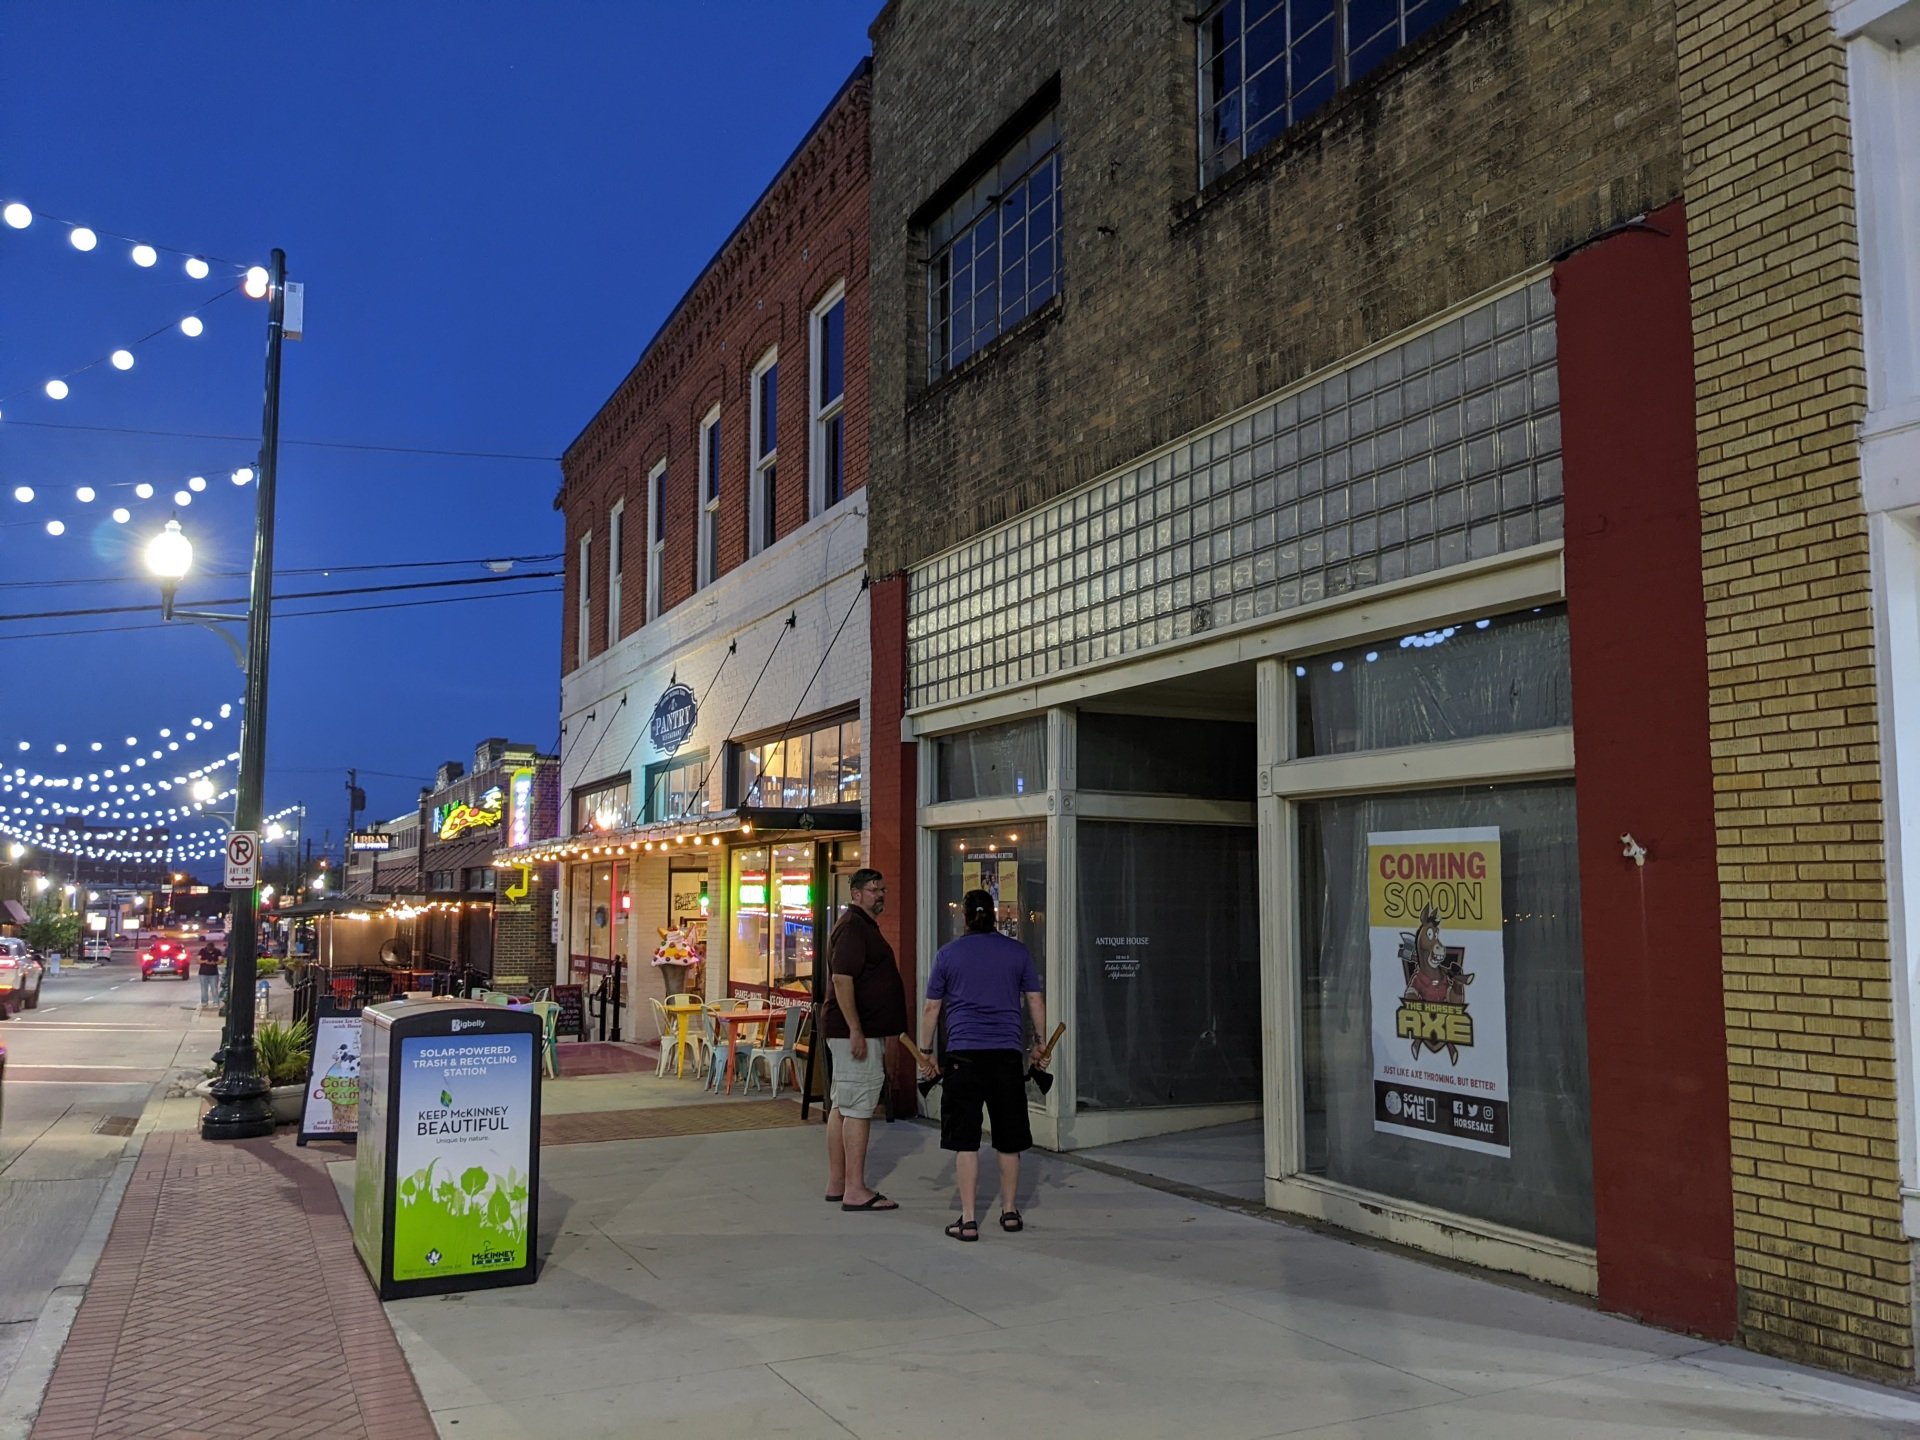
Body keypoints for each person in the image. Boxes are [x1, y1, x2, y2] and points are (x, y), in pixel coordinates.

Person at [916, 889, 1046, 1242]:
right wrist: (1039, 1044)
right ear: (995, 915)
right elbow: (1034, 999)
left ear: (964, 917)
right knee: (1008, 1139)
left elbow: (931, 1009)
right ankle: (1009, 1212)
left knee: (966, 1141)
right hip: (1005, 1056)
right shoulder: (1017, 953)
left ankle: (969, 1219)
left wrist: (926, 1051)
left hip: (963, 1057)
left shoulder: (948, 955)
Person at [823, 868, 909, 1212]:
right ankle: (855, 1189)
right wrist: (856, 1028)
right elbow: (842, 979)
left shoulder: (859, 926)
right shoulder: (853, 927)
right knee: (858, 1108)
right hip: (853, 1034)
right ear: (856, 893)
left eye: (883, 888)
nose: (881, 895)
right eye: (874, 889)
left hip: (854, 1031)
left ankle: (838, 1182)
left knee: (843, 1106)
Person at [197, 940, 223, 1008]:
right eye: (209, 950)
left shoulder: (217, 951)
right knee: (204, 988)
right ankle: (204, 1002)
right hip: (203, 973)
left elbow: (220, 960)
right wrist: (205, 961)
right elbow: (198, 960)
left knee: (214, 988)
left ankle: (216, 1002)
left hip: (213, 973)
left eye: (211, 950)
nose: (210, 952)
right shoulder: (202, 951)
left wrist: (215, 962)